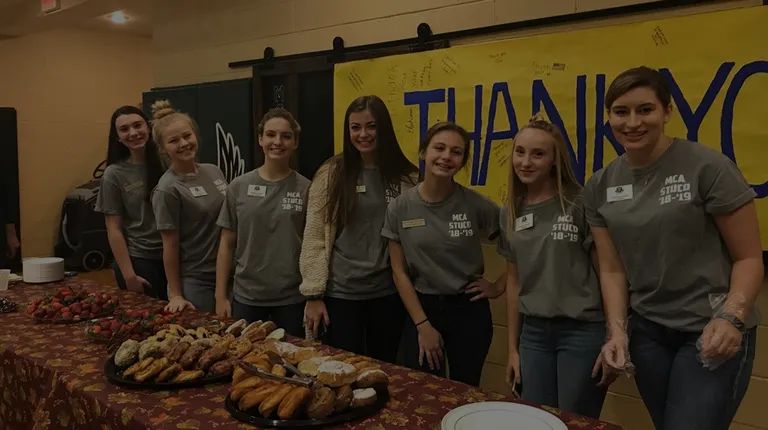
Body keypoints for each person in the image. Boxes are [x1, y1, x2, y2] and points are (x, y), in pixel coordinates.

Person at [584, 66, 763, 430]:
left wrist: (732, 317)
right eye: (621, 111)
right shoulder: (600, 185)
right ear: (609, 117)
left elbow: (748, 258)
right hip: (649, 333)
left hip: (711, 331)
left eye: (645, 109)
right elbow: (612, 268)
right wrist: (616, 331)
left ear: (667, 112)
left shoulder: (709, 167)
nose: (633, 122)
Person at [499, 114, 611, 418]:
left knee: (575, 420)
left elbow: (607, 271)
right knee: (536, 417)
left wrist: (614, 334)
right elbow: (514, 282)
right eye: (520, 152)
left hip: (582, 330)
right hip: (534, 333)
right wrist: (513, 349)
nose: (526, 162)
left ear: (554, 160)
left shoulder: (580, 203)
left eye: (538, 154)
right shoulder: (509, 212)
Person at [382, 122, 505, 386]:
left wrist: (498, 286)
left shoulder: (476, 204)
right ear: (423, 152)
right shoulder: (399, 207)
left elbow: (521, 248)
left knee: (466, 389)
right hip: (422, 308)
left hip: (468, 310)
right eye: (439, 148)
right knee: (424, 389)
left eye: (456, 152)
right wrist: (423, 325)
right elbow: (399, 271)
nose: (446, 156)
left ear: (462, 162)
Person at [300, 95, 420, 363]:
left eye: (371, 126)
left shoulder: (406, 177)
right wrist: (313, 294)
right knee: (343, 370)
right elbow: (315, 235)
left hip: (389, 293)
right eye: (355, 127)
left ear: (384, 128)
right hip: (342, 294)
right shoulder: (331, 173)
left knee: (384, 369)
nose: (363, 134)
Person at [215, 108, 310, 337]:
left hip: (292, 298)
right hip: (247, 297)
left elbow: (314, 246)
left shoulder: (307, 189)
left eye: (286, 136)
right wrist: (220, 296)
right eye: (270, 134)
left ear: (295, 143)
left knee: (291, 356)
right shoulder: (238, 186)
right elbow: (226, 243)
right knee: (243, 355)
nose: (278, 142)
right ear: (260, 139)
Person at [150, 100, 227, 313]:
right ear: (163, 149)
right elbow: (170, 245)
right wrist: (176, 294)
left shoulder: (214, 171)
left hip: (229, 274)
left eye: (187, 136)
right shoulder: (167, 189)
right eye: (174, 141)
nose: (184, 143)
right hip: (198, 280)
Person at [95, 106, 167, 299]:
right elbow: (114, 229)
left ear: (148, 127)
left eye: (137, 125)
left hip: (176, 255)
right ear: (117, 137)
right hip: (140, 260)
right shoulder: (114, 174)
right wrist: (129, 276)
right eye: (124, 129)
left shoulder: (167, 162)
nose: (133, 133)